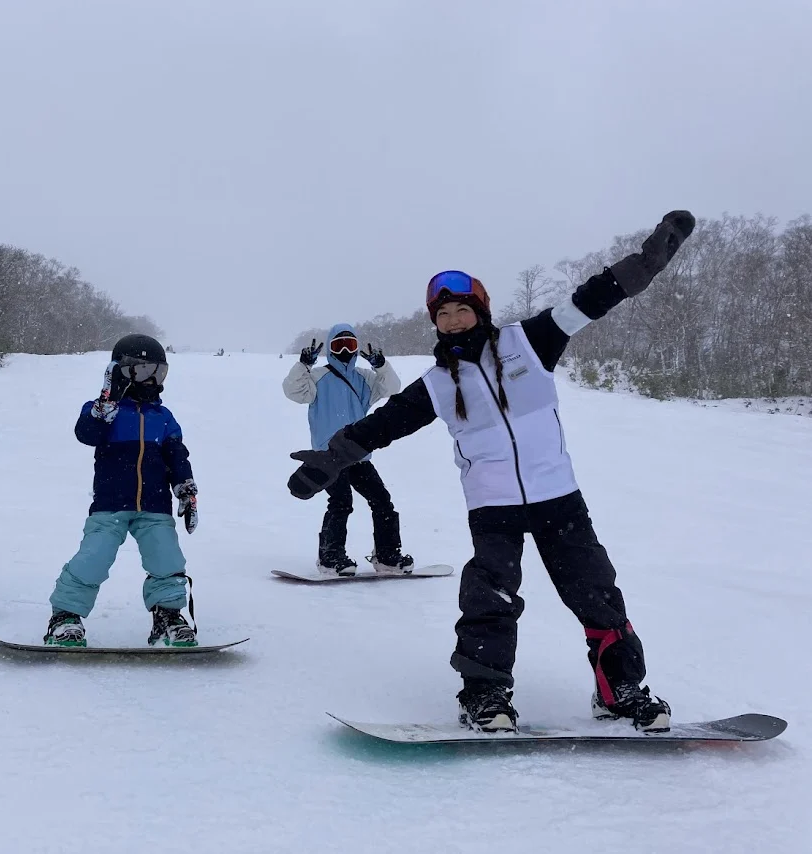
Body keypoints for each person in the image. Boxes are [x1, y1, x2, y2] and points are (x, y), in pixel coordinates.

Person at [287, 211, 696, 733]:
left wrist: (642, 266)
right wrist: (331, 457)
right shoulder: (436, 384)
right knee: (490, 598)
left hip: (558, 497)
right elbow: (382, 424)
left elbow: (590, 300)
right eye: (444, 315)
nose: (453, 320)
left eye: (461, 309)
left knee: (596, 592)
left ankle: (621, 691)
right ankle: (485, 696)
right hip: (492, 504)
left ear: (479, 310)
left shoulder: (531, 342)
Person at [44, 334, 199, 647]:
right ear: (122, 371)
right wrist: (107, 400)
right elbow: (86, 433)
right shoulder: (104, 410)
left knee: (167, 559)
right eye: (144, 372)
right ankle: (65, 616)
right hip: (110, 505)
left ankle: (168, 616)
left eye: (160, 372)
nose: (153, 380)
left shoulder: (163, 417)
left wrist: (186, 489)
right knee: (93, 559)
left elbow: (177, 457)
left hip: (154, 507)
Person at [282, 324, 410, 576]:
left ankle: (387, 556)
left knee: (382, 502)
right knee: (341, 503)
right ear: (329, 349)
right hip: (329, 456)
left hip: (359, 453)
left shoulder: (365, 378)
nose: (343, 350)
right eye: (338, 345)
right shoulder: (317, 376)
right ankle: (330, 558)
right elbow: (293, 392)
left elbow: (392, 388)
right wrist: (303, 366)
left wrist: (381, 365)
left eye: (349, 345)